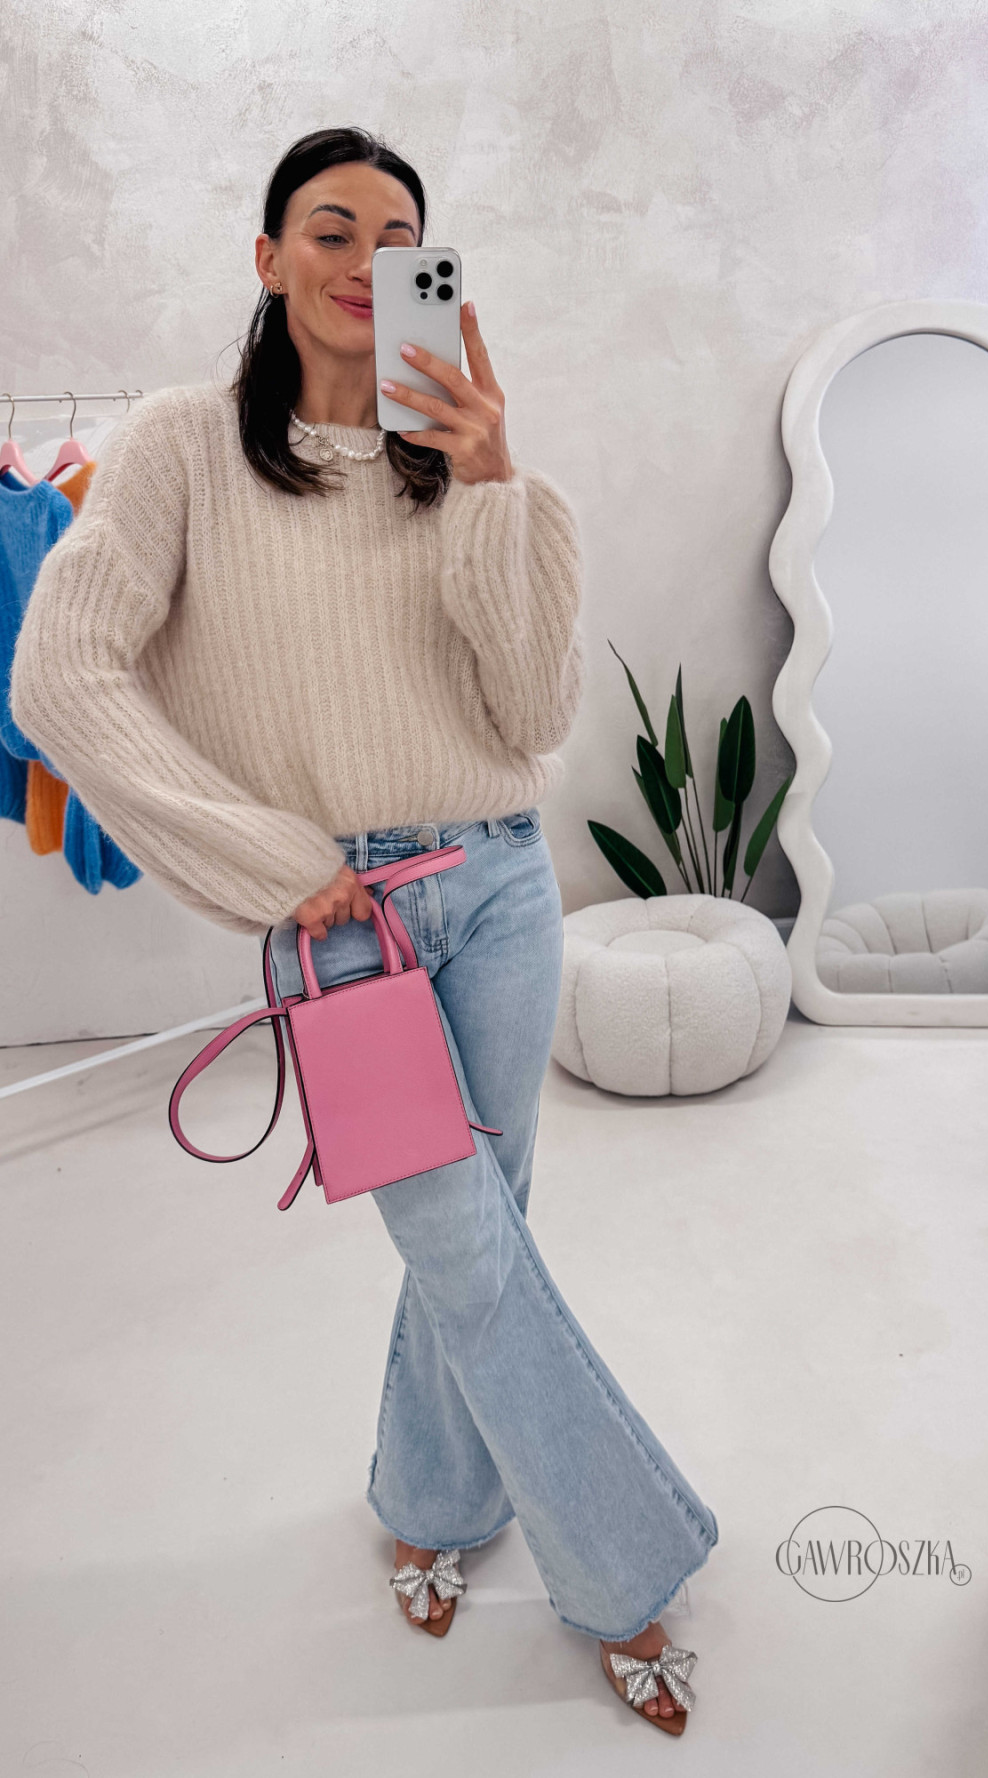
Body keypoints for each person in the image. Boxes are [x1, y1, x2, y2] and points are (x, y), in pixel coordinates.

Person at [10, 125, 718, 1734]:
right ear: (268, 260)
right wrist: (267, 859)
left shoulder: (476, 471)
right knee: (464, 1244)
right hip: (340, 924)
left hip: (505, 886)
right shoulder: (183, 448)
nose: (363, 261)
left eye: (400, 242)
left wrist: (489, 482)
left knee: (488, 1229)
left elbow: (528, 714)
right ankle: (623, 1572)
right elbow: (58, 677)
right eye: (329, 230)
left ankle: (428, 1501)